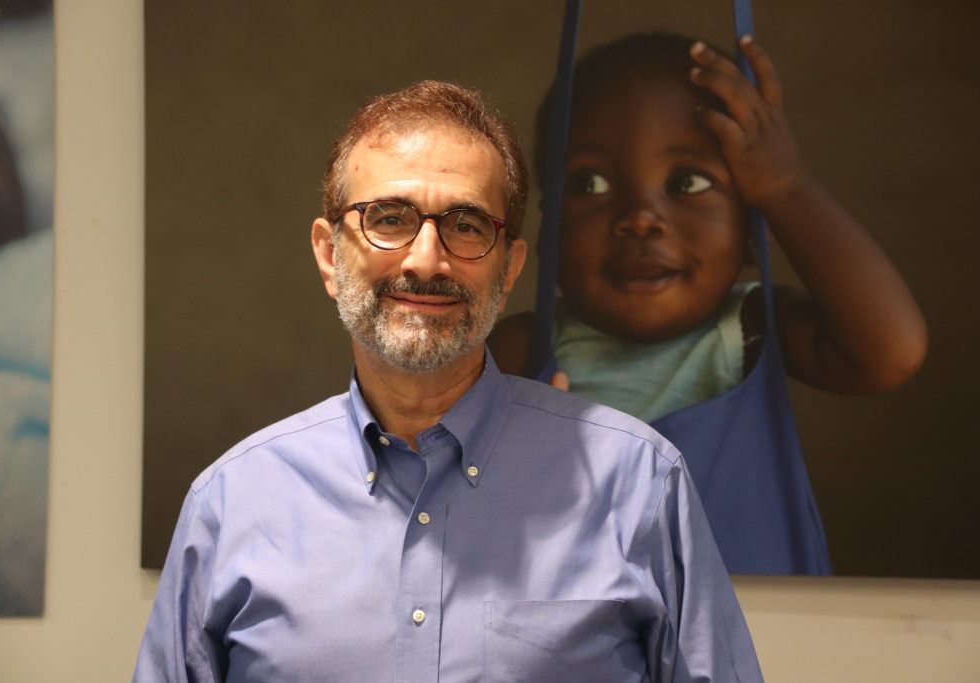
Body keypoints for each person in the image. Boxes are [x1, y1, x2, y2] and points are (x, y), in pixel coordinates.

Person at [135, 80, 763, 681]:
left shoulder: (637, 483)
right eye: (388, 218)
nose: (426, 260)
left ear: (510, 265)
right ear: (330, 255)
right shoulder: (233, 502)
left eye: (466, 225)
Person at [490, 33, 928, 575]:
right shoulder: (521, 353)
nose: (640, 217)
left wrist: (785, 187)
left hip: (767, 645)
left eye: (688, 181)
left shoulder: (754, 329)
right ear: (549, 227)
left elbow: (893, 351)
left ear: (752, 232)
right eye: (591, 182)